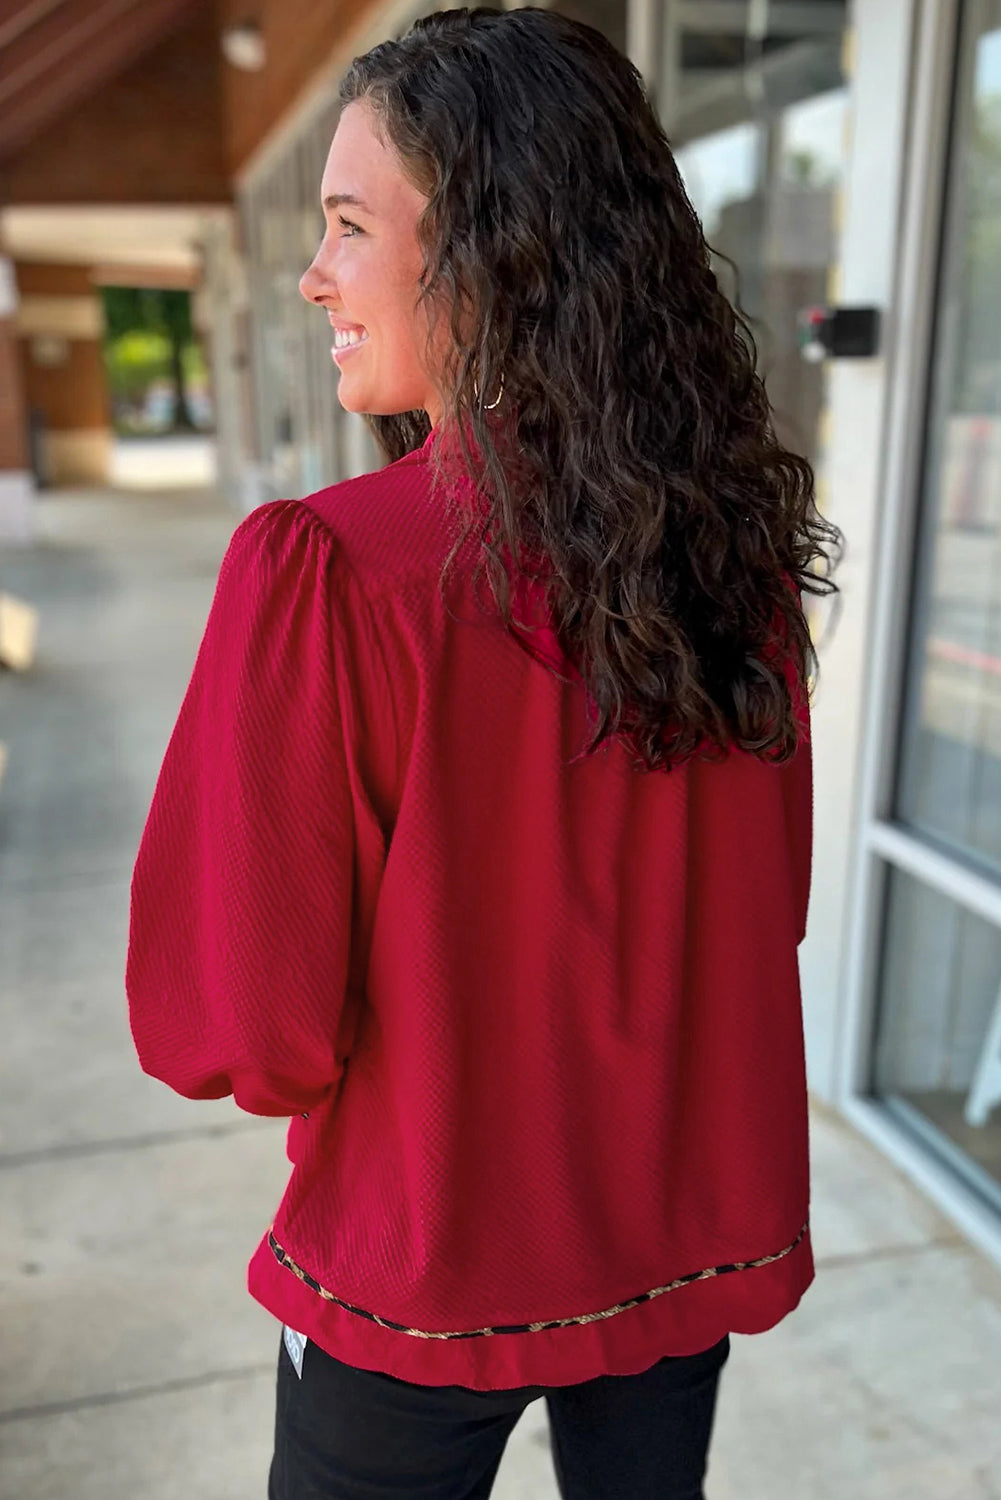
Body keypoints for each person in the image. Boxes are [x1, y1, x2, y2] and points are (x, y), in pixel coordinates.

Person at [125, 6, 843, 1497]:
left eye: (348, 225)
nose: (314, 274)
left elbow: (244, 1020)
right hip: (673, 1235)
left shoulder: (336, 571)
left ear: (491, 253)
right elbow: (762, 909)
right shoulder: (733, 564)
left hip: (428, 1257)